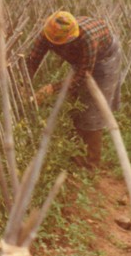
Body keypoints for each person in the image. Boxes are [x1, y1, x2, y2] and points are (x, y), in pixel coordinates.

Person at [25, 10, 122, 169]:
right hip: (84, 60)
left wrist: (51, 88)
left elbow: (83, 76)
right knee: (75, 104)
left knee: (93, 109)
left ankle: (92, 165)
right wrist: (24, 85)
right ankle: (75, 154)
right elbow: (32, 60)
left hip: (105, 59)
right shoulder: (49, 32)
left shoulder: (86, 39)